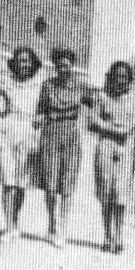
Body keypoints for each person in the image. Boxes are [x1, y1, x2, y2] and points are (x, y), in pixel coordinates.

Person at [34, 47, 92, 248]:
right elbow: (40, 110)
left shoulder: (82, 87)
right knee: (50, 186)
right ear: (56, 66)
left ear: (72, 66)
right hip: (50, 135)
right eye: (60, 64)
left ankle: (63, 230)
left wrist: (88, 123)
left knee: (67, 186)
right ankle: (51, 225)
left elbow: (96, 106)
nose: (63, 67)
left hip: (71, 136)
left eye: (67, 64)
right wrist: (39, 119)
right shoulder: (47, 85)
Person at [88, 60, 135, 254]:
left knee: (121, 196)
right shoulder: (101, 96)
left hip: (127, 147)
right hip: (106, 145)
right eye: (117, 76)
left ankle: (119, 236)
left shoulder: (134, 98)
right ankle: (107, 235)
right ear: (111, 77)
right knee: (106, 193)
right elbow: (92, 121)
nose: (120, 81)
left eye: (124, 77)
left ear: (129, 80)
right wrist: (112, 130)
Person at [0, 46, 43, 244]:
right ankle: (8, 226)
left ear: (33, 64)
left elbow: (44, 109)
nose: (24, 64)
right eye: (20, 60)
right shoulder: (6, 83)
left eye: (28, 61)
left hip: (28, 134)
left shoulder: (39, 86)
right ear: (14, 63)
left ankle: (15, 222)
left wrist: (40, 118)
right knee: (7, 182)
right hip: (7, 133)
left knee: (21, 184)